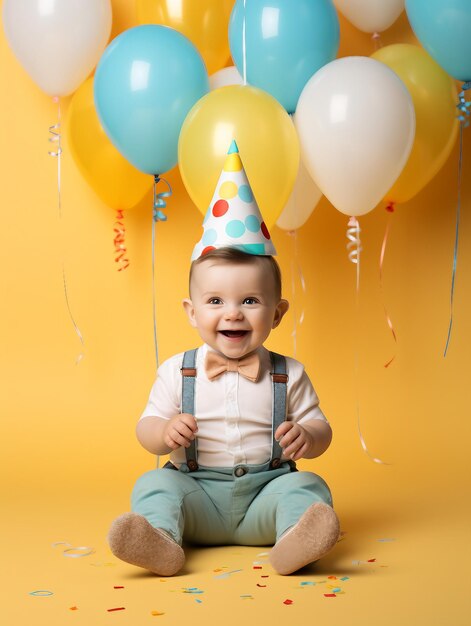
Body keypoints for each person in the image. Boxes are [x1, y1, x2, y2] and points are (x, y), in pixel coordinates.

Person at [108, 142, 339, 576]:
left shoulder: (289, 373)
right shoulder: (177, 371)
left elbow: (322, 429)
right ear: (192, 312)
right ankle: (161, 541)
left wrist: (308, 437)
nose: (232, 312)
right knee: (155, 483)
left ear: (277, 313)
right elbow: (145, 427)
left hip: (264, 498)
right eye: (215, 300)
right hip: (197, 499)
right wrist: (164, 433)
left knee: (307, 485)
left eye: (250, 300)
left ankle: (293, 542)